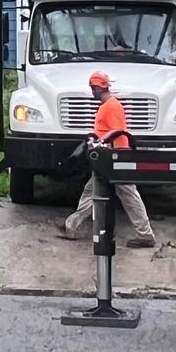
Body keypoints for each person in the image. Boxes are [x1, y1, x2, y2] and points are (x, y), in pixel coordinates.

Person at [57, 71, 156, 249]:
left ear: (97, 88)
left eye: (92, 89)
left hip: (115, 157)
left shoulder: (112, 106)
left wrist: (103, 144)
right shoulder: (107, 106)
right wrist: (95, 140)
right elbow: (108, 131)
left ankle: (146, 235)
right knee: (91, 192)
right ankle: (70, 226)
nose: (92, 93)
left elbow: (117, 131)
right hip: (107, 157)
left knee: (128, 195)